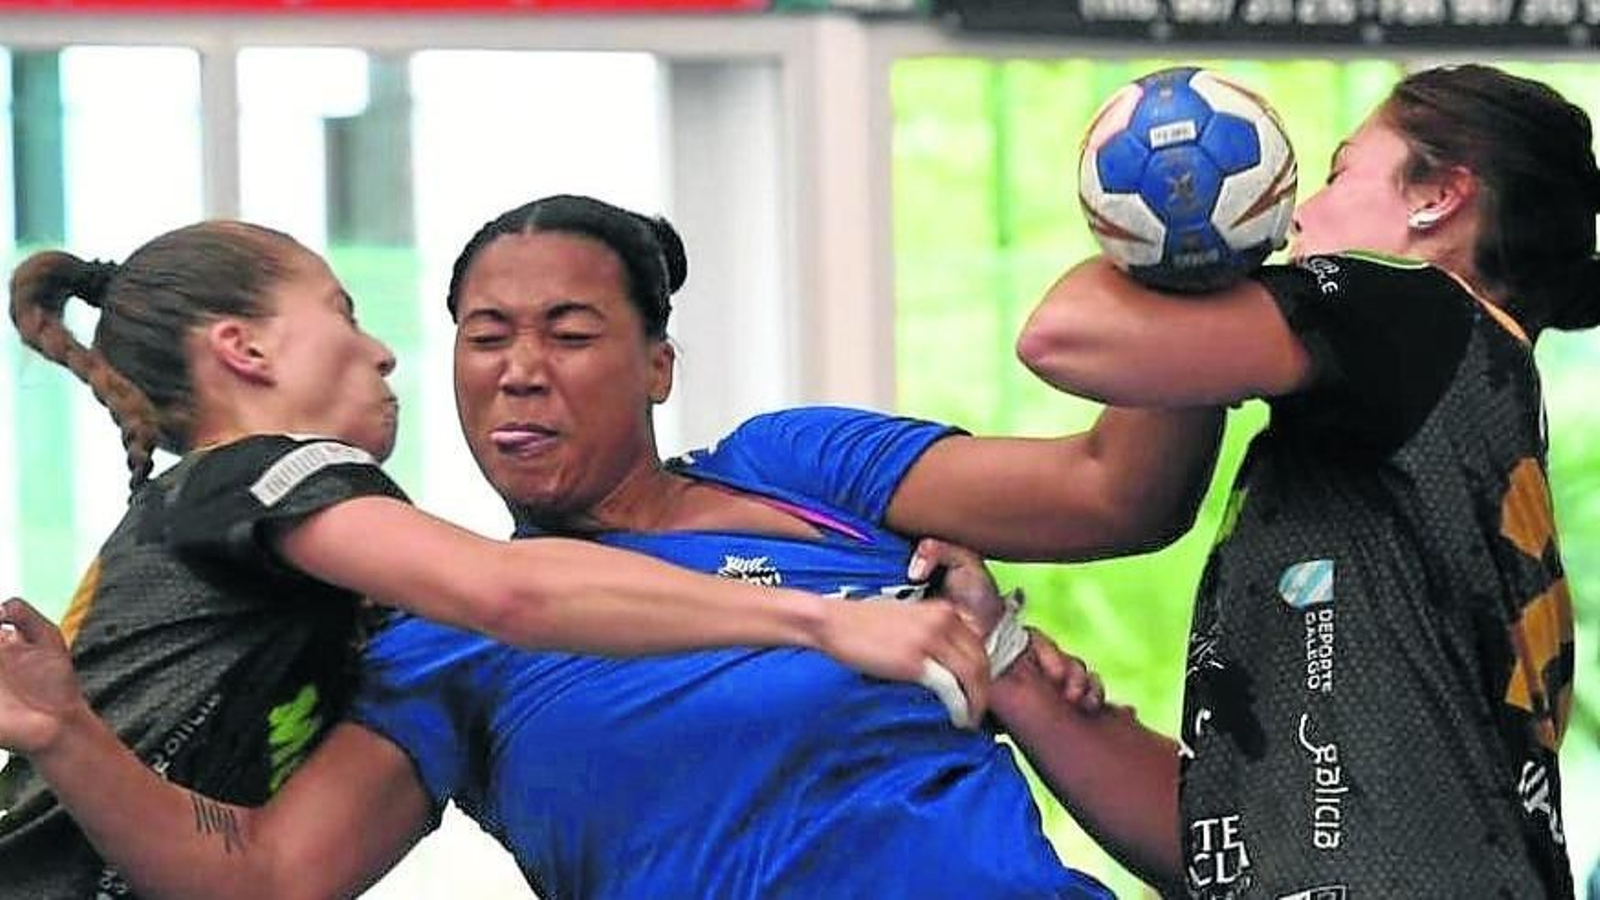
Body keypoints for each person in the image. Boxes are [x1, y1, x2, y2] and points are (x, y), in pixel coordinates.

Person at [0, 195, 1216, 898]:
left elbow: (1116, 496)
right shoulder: (432, 640)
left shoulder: (798, 468)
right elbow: (269, 877)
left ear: (656, 368)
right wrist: (66, 735)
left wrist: (1186, 269)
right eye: (484, 336)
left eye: (571, 333)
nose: (519, 368)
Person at [1016, 63, 1590, 897]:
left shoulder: (1418, 314)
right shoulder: (1470, 414)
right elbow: (1235, 849)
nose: (1296, 214)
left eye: (1337, 172)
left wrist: (1175, 230)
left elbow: (1065, 336)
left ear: (1439, 195)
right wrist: (1014, 671)